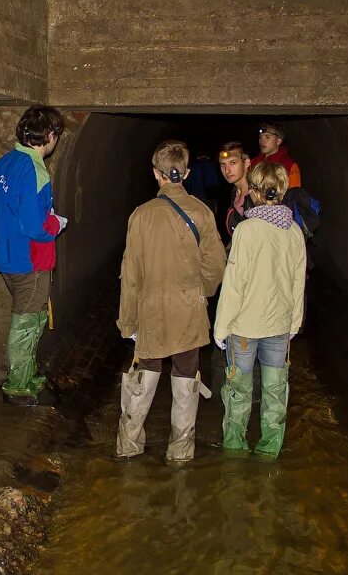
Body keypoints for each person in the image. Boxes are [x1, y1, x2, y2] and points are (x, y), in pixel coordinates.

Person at [116, 140, 227, 463]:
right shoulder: (202, 212)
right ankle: (180, 450)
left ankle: (129, 445)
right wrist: (199, 292)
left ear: (156, 174)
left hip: (151, 311)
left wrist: (128, 322)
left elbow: (131, 274)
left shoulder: (141, 216)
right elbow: (216, 266)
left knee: (145, 370)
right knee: (185, 373)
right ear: (187, 173)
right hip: (188, 311)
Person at [213, 161, 306, 459]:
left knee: (239, 393)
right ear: (282, 190)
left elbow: (234, 283)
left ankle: (235, 454)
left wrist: (220, 327)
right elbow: (297, 282)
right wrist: (294, 323)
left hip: (243, 329)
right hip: (279, 327)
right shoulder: (294, 231)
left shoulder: (247, 230)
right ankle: (269, 453)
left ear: (253, 191)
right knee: (275, 393)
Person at [0, 105, 67, 406]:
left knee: (26, 316)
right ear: (49, 136)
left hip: (5, 254)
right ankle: (18, 386)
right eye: (56, 136)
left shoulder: (4, 163)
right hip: (29, 260)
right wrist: (57, 223)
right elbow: (36, 226)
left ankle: (27, 374)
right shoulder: (36, 170)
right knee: (28, 321)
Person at [219, 141, 253, 238]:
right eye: (223, 164)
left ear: (246, 163)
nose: (227, 170)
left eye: (233, 163)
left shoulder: (258, 195)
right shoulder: (233, 194)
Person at [251, 123, 302, 188]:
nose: (262, 141)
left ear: (278, 141)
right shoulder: (253, 162)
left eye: (267, 137)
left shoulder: (289, 165)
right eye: (260, 137)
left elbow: (295, 194)